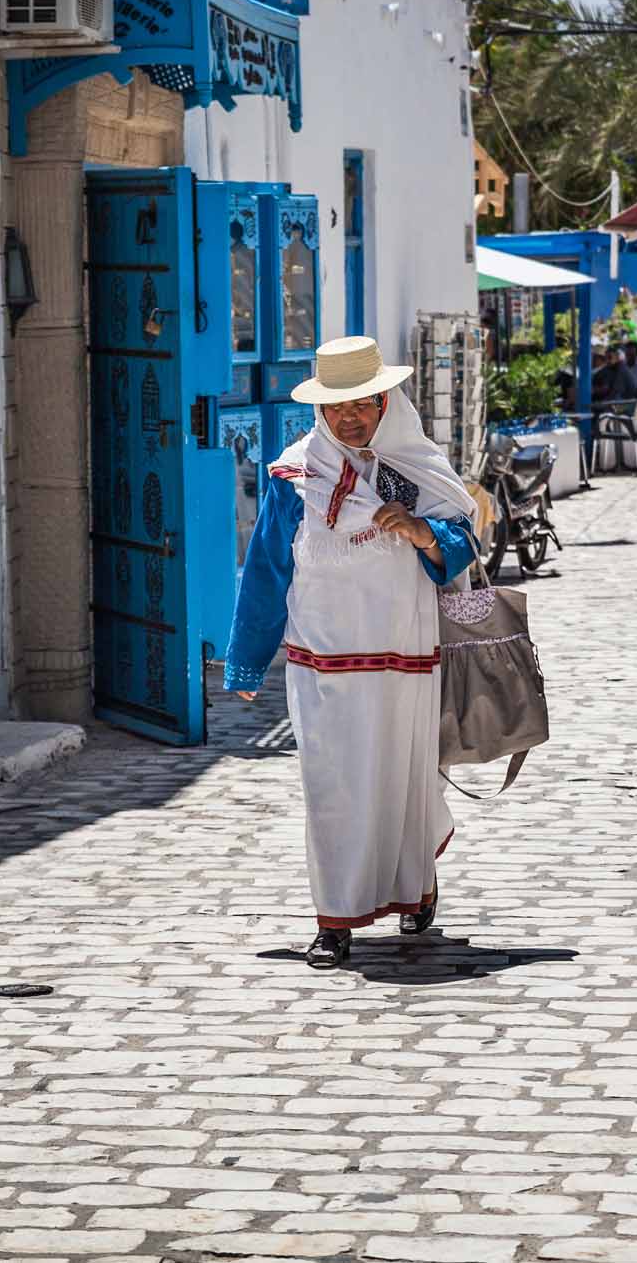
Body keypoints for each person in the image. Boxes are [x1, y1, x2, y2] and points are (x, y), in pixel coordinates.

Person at [225, 337, 479, 970]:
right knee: (332, 790)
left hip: (407, 657)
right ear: (320, 411)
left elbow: (462, 542)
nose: (350, 418)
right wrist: (247, 660)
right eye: (337, 407)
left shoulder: (418, 468)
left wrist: (422, 532)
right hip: (324, 661)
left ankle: (416, 890)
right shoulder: (294, 476)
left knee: (405, 781)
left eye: (362, 404)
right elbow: (268, 569)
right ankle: (333, 921)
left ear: (385, 402)